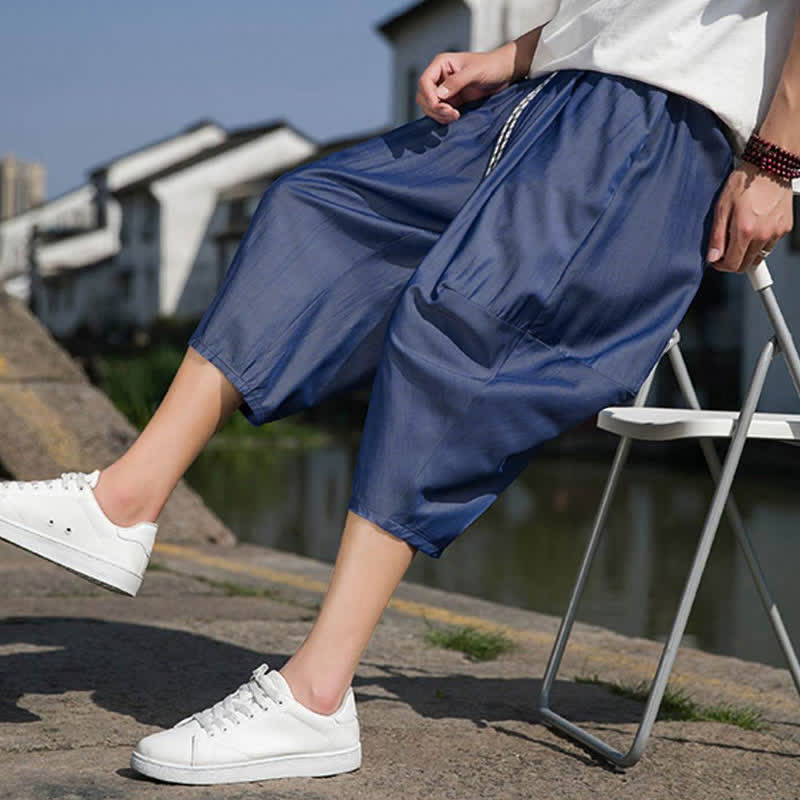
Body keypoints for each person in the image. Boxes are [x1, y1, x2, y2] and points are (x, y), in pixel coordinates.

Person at [2, 0, 800, 786]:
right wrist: (513, 57)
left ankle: (315, 698)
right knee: (319, 215)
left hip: (655, 124)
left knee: (463, 332)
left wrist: (776, 161)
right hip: (551, 95)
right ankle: (123, 502)